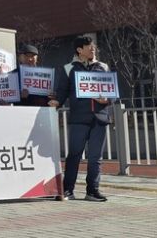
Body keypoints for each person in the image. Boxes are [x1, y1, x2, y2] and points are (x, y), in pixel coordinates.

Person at [50, 35, 111, 202]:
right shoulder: (69, 68)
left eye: (93, 46)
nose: (93, 49)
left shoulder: (103, 67)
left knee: (96, 157)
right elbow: (62, 91)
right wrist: (56, 102)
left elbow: (111, 91)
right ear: (79, 50)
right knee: (74, 155)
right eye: (88, 46)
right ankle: (67, 190)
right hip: (79, 118)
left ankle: (92, 191)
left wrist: (106, 100)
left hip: (100, 118)